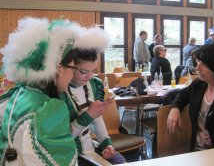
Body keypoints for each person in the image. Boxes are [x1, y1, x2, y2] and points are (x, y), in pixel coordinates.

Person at [0, 17, 85, 165]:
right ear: (59, 69)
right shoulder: (49, 110)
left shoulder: (15, 96)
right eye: (73, 68)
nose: (73, 74)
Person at [66, 28, 126, 165]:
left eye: (93, 71)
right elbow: (62, 139)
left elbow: (96, 120)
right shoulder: (60, 91)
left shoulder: (93, 84)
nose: (89, 76)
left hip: (90, 148)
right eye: (83, 72)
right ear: (70, 67)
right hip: (69, 154)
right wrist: (88, 115)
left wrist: (106, 144)